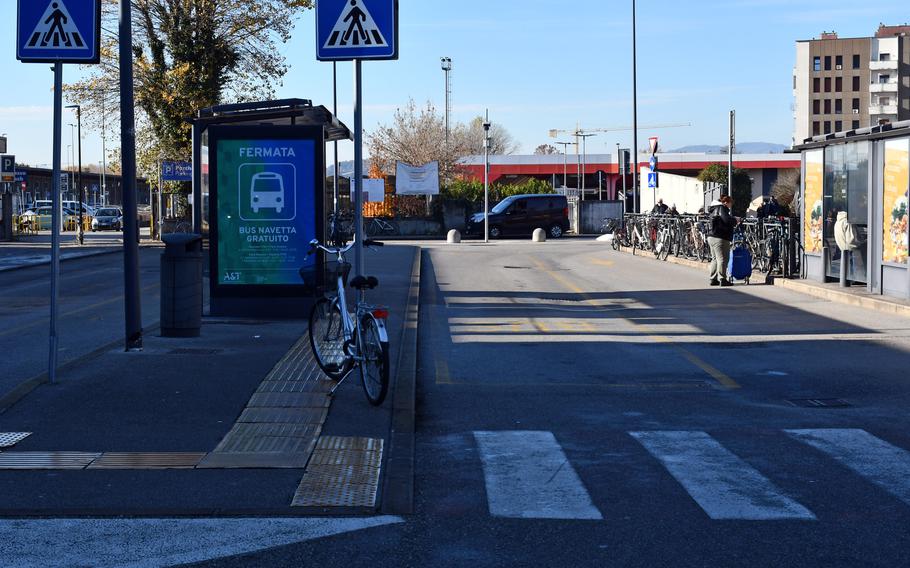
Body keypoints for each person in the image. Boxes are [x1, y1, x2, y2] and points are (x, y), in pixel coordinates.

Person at [708, 195, 736, 287]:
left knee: (714, 259)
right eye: (730, 203)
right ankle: (722, 279)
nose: (731, 205)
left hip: (712, 236)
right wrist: (735, 220)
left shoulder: (714, 208)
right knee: (723, 259)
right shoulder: (721, 208)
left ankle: (713, 278)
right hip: (720, 237)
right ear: (725, 202)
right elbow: (727, 220)